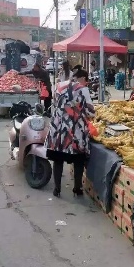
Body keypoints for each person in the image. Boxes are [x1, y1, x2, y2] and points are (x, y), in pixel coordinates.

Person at [45, 69, 95, 198]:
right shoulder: (83, 90)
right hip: (75, 131)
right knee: (78, 160)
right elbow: (91, 112)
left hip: (58, 130)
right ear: (81, 79)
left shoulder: (59, 86)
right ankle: (77, 188)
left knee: (58, 159)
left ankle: (57, 189)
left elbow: (54, 105)